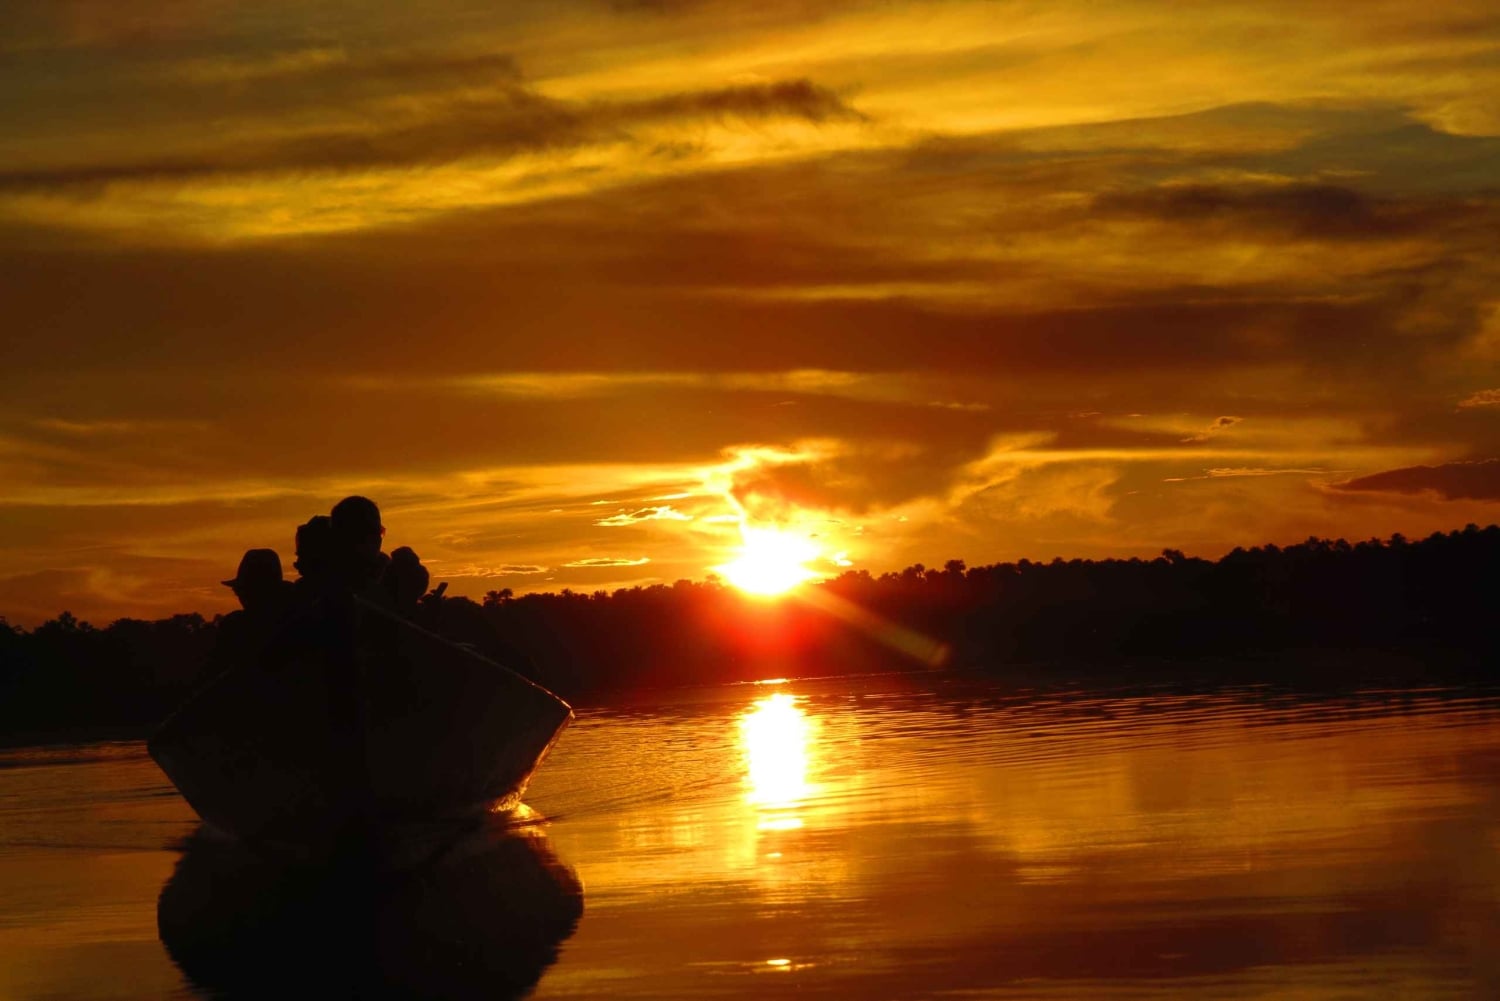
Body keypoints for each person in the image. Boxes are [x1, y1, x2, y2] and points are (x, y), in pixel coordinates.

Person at [210, 549, 294, 672]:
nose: (241, 597)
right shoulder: (296, 618)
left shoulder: (236, 626)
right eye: (238, 592)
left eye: (243, 591)